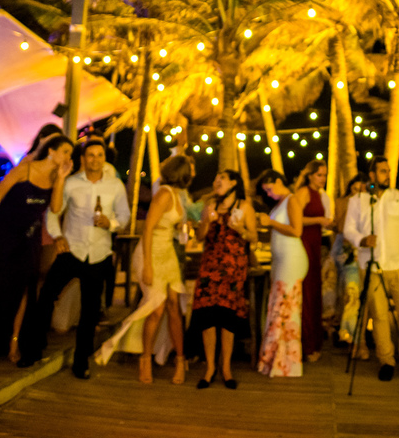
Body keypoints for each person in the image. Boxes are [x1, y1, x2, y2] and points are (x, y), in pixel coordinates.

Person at [0, 135, 72, 367]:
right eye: (66, 151)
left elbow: (56, 208)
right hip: (5, 234)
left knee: (21, 291)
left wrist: (60, 180)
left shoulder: (56, 177)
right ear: (52, 151)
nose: (69, 157)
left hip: (30, 238)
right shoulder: (24, 170)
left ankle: (9, 342)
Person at [18, 138, 131, 379]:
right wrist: (57, 236)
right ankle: (32, 350)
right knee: (46, 298)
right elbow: (53, 212)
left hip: (99, 254)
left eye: (100, 155)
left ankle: (81, 362)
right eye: (91, 155)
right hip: (72, 250)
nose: (95, 159)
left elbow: (125, 216)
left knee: (90, 312)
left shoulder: (115, 186)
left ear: (104, 158)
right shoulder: (71, 183)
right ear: (83, 158)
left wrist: (110, 223)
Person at [94, 155, 194, 385]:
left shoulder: (177, 195)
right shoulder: (163, 194)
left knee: (174, 308)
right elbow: (147, 229)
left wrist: (178, 226)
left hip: (168, 250)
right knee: (155, 309)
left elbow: (167, 223)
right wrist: (147, 264)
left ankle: (180, 360)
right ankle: (145, 359)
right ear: (183, 173)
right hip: (151, 252)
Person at [342, 157, 399, 382]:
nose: (387, 175)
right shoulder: (358, 200)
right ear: (371, 175)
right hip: (371, 266)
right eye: (382, 171)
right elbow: (348, 229)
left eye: (388, 171)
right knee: (379, 316)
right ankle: (386, 361)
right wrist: (361, 239)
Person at [192, 168, 256, 389]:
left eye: (222, 179)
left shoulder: (244, 207)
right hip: (210, 266)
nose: (217, 181)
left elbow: (254, 237)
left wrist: (240, 229)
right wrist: (207, 222)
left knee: (228, 318)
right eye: (216, 178)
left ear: (233, 183)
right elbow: (200, 237)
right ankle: (209, 367)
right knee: (208, 317)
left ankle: (226, 368)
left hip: (233, 268)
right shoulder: (209, 207)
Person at [257, 170, 307, 377]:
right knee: (279, 308)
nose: (268, 194)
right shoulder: (280, 203)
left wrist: (271, 223)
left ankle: (285, 362)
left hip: (292, 259)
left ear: (278, 181)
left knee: (285, 309)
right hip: (281, 259)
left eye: (269, 189)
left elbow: (297, 231)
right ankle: (277, 359)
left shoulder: (292, 200)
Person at [293, 160, 332, 362]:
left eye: (325, 175)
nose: (323, 178)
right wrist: (318, 220)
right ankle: (306, 345)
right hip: (304, 244)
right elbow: (295, 220)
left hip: (316, 244)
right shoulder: (303, 193)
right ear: (310, 175)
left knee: (314, 293)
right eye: (319, 175)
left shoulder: (320, 195)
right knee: (307, 295)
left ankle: (313, 343)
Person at [333, 174, 368, 346]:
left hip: (365, 251)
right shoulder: (342, 202)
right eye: (355, 189)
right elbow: (340, 227)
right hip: (346, 251)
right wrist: (351, 204)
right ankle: (350, 336)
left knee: (361, 295)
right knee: (352, 293)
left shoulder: (371, 204)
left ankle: (353, 334)